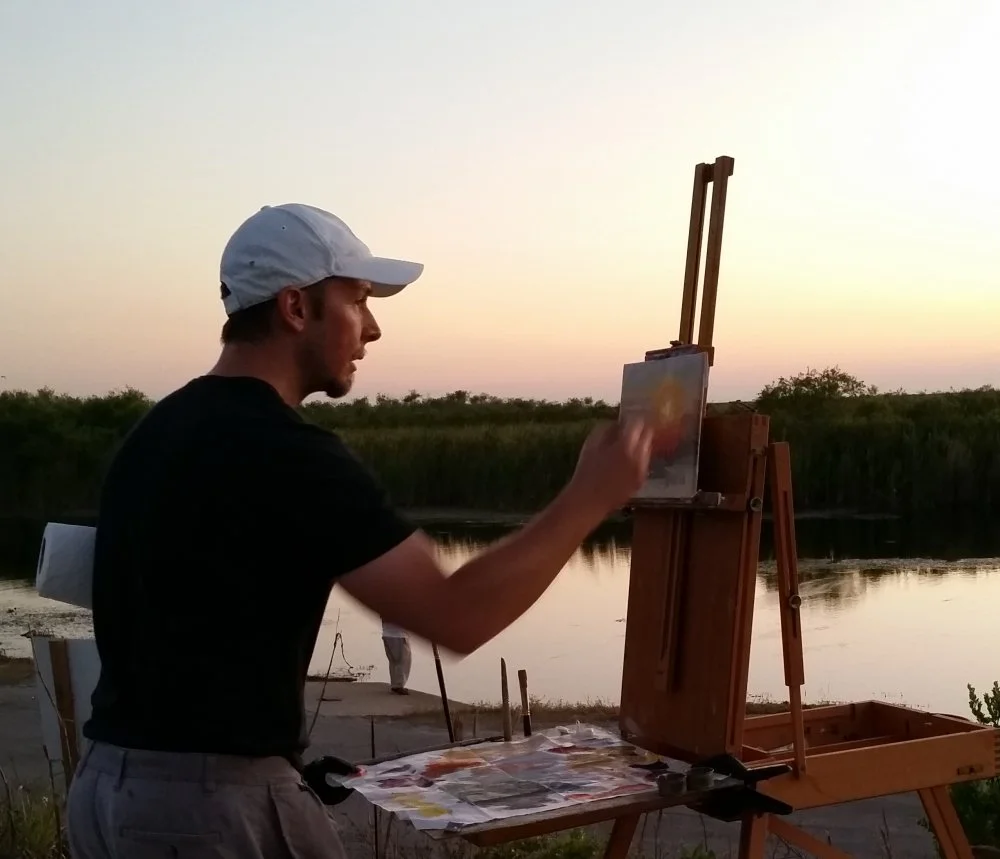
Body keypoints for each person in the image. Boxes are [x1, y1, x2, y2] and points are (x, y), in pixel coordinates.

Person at [65, 202, 653, 859]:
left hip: (105, 788)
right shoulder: (287, 452)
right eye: (359, 299)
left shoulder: (156, 430)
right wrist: (589, 496)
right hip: (209, 806)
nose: (371, 328)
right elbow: (456, 613)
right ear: (296, 307)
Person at [381, 618, 411, 694]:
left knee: (394, 661)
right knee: (403, 661)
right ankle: (398, 686)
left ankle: (395, 685)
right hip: (399, 636)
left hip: (387, 635)